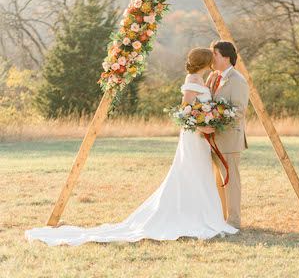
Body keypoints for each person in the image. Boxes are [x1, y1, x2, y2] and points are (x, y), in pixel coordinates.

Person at [24, 48, 238, 246]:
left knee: (201, 173)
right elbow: (186, 110)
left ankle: (201, 212)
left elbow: (199, 108)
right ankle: (190, 215)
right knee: (191, 172)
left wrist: (209, 122)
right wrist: (202, 126)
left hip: (201, 137)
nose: (213, 62)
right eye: (211, 59)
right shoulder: (192, 79)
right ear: (205, 62)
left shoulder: (203, 78)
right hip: (194, 135)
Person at [205, 40, 249, 229]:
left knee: (231, 183)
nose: (211, 58)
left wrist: (215, 123)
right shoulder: (214, 77)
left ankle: (234, 221)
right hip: (213, 140)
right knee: (217, 182)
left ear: (226, 57)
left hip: (229, 140)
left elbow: (239, 111)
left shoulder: (238, 80)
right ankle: (222, 219)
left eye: (214, 54)